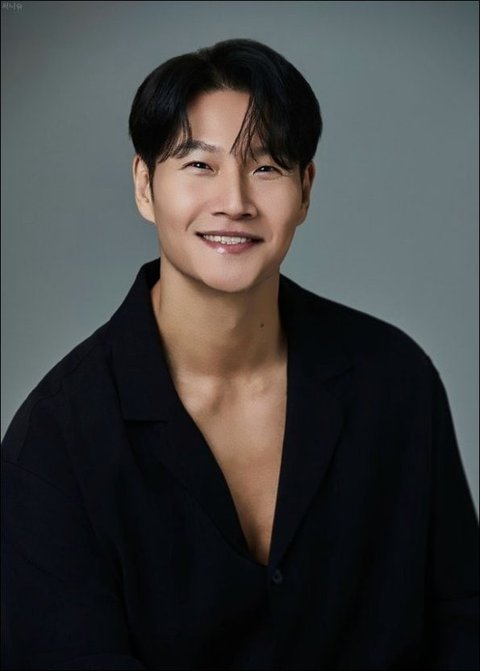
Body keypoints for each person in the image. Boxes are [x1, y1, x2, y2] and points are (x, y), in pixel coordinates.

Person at [1, 38, 478, 671]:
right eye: (199, 164)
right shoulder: (55, 440)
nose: (235, 201)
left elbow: (462, 623)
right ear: (144, 185)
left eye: (267, 167)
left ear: (305, 190)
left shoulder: (395, 381)